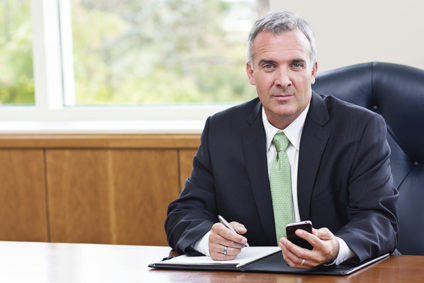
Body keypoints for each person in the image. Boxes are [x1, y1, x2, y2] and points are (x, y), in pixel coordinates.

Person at [165, 10, 398, 268]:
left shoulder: (360, 128)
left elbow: (380, 219)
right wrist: (209, 238)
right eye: (269, 66)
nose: (283, 81)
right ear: (251, 73)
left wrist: (336, 248)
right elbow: (183, 214)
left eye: (296, 65)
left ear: (313, 72)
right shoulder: (221, 131)